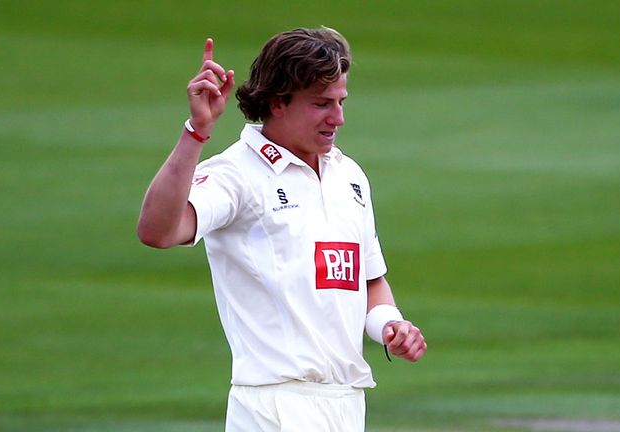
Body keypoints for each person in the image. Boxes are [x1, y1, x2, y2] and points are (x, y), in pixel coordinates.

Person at [137, 27, 426, 432]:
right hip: (273, 407)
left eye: (341, 102)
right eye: (321, 104)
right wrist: (196, 133)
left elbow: (368, 282)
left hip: (347, 403)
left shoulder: (350, 177)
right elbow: (158, 231)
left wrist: (390, 326)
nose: (338, 118)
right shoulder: (236, 173)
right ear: (277, 103)